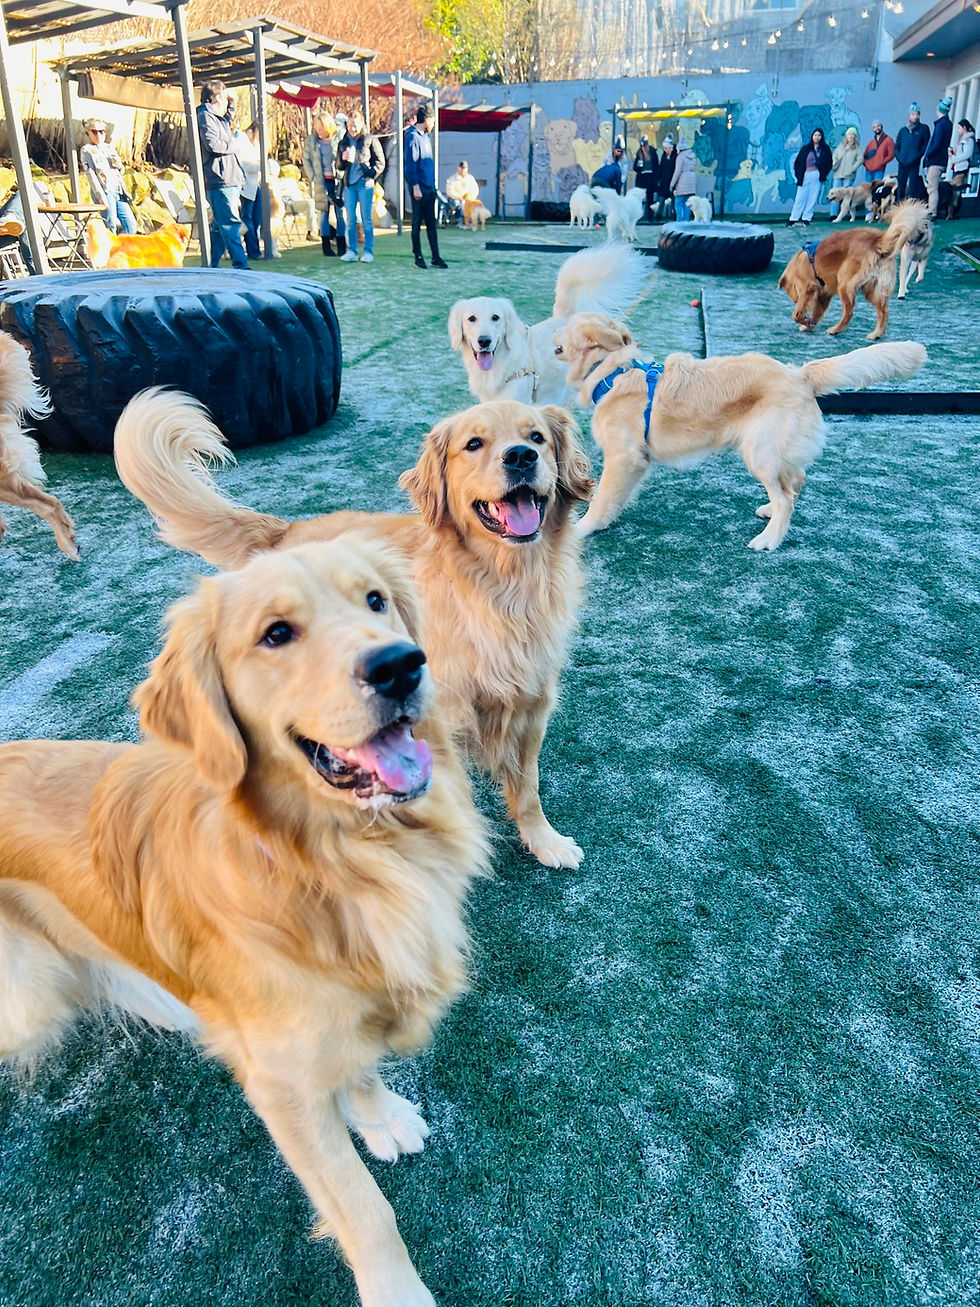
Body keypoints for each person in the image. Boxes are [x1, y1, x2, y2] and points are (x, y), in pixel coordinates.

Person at [196, 80, 248, 269]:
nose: (227, 100)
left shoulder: (215, 116)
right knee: (230, 224)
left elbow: (227, 121)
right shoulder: (204, 116)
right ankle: (241, 265)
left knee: (220, 226)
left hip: (229, 176)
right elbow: (212, 144)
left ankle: (211, 266)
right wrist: (235, 144)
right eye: (224, 97)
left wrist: (232, 103)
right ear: (217, 97)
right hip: (220, 178)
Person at [336, 109, 385, 264]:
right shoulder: (343, 142)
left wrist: (370, 173)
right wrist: (342, 159)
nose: (353, 128)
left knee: (366, 219)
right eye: (350, 125)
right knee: (350, 219)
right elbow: (338, 165)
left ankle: (368, 251)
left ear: (362, 124)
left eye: (355, 125)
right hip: (349, 185)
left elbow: (380, 162)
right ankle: (351, 251)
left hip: (365, 184)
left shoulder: (369, 140)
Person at [404, 104, 446, 269]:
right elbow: (411, 165)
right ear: (427, 119)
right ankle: (418, 257)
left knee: (431, 224)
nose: (434, 124)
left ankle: (436, 257)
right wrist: (415, 186)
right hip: (419, 188)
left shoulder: (425, 137)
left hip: (429, 188)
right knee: (416, 224)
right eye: (433, 120)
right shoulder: (412, 137)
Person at [79, 118, 137, 235]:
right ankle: (111, 251)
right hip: (105, 191)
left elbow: (120, 171)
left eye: (101, 131)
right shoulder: (87, 150)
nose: (98, 135)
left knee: (131, 225)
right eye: (94, 132)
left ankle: (122, 250)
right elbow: (91, 176)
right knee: (111, 226)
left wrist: (120, 166)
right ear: (88, 133)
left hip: (118, 190)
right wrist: (100, 196)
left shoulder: (109, 148)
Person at [302, 110, 346, 258]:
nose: (318, 130)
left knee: (340, 214)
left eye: (321, 127)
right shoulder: (312, 141)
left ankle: (341, 245)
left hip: (337, 180)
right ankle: (326, 246)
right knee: (324, 213)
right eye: (316, 127)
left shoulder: (339, 138)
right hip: (321, 181)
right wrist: (313, 176)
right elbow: (306, 160)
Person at [788, 127, 833, 226]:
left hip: (816, 175)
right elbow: (798, 163)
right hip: (805, 175)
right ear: (812, 136)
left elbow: (829, 162)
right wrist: (798, 175)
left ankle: (807, 218)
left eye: (819, 135)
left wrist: (823, 173)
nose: (817, 137)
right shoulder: (805, 149)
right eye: (815, 135)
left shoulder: (825, 149)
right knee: (800, 197)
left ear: (822, 137)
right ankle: (793, 218)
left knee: (812, 198)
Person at [233, 121, 262, 260]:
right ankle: (253, 251)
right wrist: (261, 167)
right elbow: (242, 163)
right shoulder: (242, 141)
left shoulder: (254, 144)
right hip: (246, 186)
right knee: (248, 218)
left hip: (255, 185)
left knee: (256, 218)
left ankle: (254, 249)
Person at [938, 118, 976, 220]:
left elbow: (967, 154)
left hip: (962, 168)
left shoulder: (969, 140)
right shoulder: (962, 140)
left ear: (964, 128)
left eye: (959, 128)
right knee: (953, 190)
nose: (958, 130)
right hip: (956, 167)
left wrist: (954, 159)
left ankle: (952, 212)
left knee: (956, 190)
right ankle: (950, 212)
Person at [923, 95, 954, 218]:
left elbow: (937, 144)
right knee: (933, 186)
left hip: (936, 160)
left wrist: (928, 155)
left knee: (932, 188)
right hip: (941, 160)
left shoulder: (941, 125)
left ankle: (932, 212)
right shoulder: (948, 123)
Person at [894, 103, 929, 201]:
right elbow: (896, 147)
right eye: (913, 114)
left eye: (917, 114)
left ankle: (913, 207)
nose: (915, 116)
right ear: (909, 115)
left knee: (913, 187)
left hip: (914, 163)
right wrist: (899, 158)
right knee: (901, 187)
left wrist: (916, 156)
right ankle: (899, 206)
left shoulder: (923, 129)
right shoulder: (903, 131)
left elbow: (925, 145)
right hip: (902, 163)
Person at [829, 126, 862, 217]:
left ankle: (844, 213)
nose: (851, 136)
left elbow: (860, 160)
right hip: (838, 174)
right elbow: (835, 156)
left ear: (855, 136)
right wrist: (834, 163)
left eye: (853, 134)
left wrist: (852, 169)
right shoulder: (841, 146)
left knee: (847, 196)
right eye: (849, 134)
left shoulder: (857, 148)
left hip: (849, 175)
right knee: (834, 194)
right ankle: (833, 214)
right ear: (846, 136)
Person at [670, 137, 697, 221]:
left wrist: (672, 184)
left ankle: (679, 222)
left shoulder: (680, 157)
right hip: (691, 181)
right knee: (687, 204)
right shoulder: (693, 156)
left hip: (682, 182)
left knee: (678, 203)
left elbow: (677, 171)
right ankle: (686, 221)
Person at [445, 160, 478, 227]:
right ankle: (459, 221)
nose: (463, 170)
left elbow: (475, 190)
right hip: (456, 199)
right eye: (461, 168)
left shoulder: (470, 179)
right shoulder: (452, 179)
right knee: (456, 203)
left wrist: (469, 196)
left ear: (467, 169)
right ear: (458, 168)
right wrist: (458, 197)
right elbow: (449, 191)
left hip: (468, 199)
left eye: (464, 168)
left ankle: (469, 221)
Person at [633, 135, 657, 220]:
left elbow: (656, 166)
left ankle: (650, 216)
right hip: (642, 178)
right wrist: (639, 165)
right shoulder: (639, 153)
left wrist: (656, 179)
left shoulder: (652, 152)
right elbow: (634, 168)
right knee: (639, 198)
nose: (643, 148)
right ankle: (639, 216)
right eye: (642, 146)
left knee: (650, 198)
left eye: (644, 146)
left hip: (650, 177)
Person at [655, 135, 676, 219]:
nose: (665, 150)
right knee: (661, 198)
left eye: (666, 148)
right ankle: (659, 214)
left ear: (670, 148)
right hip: (664, 180)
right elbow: (661, 166)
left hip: (672, 180)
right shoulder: (664, 156)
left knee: (673, 198)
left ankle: (674, 214)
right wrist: (659, 178)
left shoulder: (675, 156)